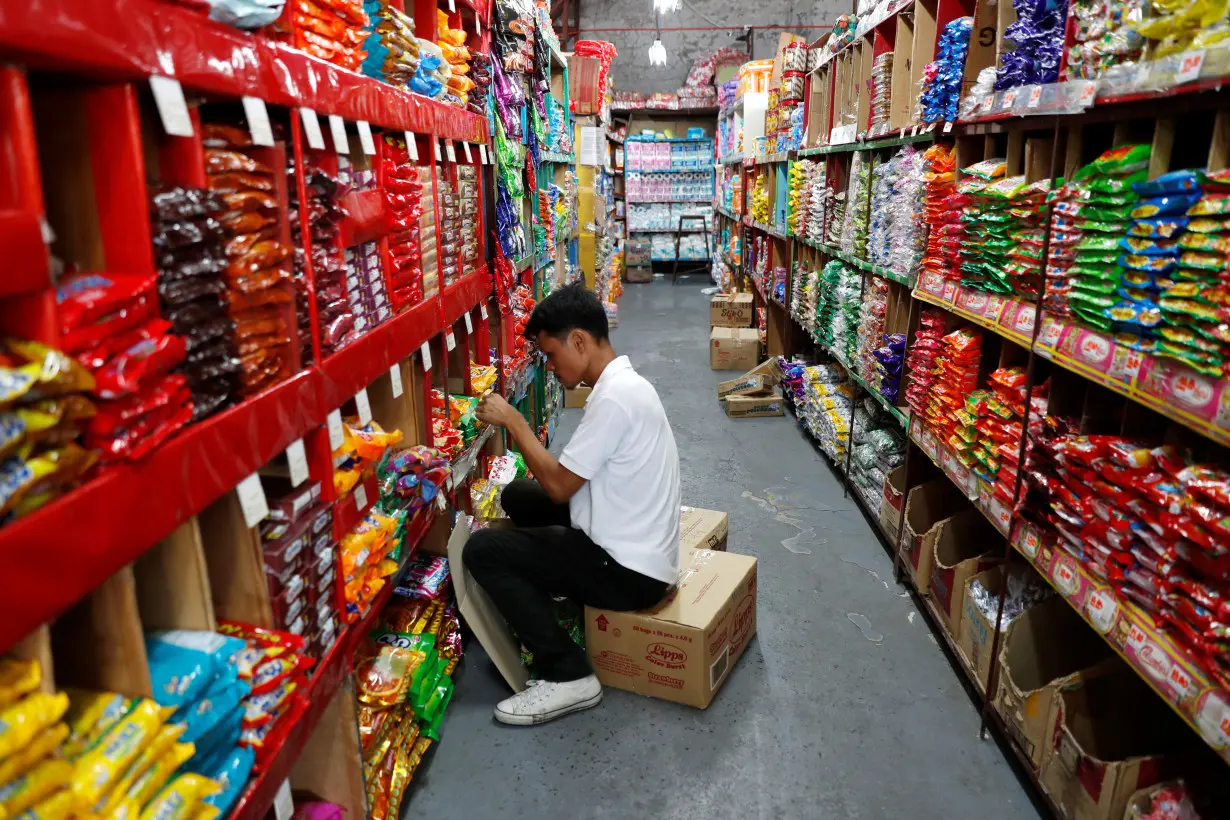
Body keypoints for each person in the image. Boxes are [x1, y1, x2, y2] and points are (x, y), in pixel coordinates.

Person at [465, 282, 681, 726]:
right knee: (519, 494)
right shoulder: (622, 385)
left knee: (482, 551)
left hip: (630, 574)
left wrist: (515, 421)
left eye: (550, 354)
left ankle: (569, 676)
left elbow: (562, 486)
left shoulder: (615, 399)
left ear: (579, 341)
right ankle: (551, 584)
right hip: (629, 537)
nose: (549, 367)